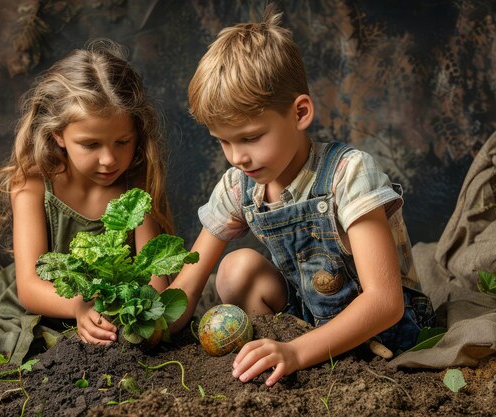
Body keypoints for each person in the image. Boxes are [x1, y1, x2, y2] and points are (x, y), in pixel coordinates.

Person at [168, 6, 434, 386]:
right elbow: (188, 286)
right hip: (304, 327)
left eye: (251, 137)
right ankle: (287, 360)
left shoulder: (348, 173)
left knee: (381, 323)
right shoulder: (239, 184)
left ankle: (301, 356)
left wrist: (295, 352)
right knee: (235, 269)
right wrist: (145, 326)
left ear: (300, 112)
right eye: (223, 141)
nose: (237, 156)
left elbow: (385, 303)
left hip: (386, 334)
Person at [0, 40, 173, 346]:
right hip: (48, 306)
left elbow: (156, 283)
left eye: (122, 142)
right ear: (59, 135)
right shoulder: (33, 183)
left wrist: (128, 312)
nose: (109, 159)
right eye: (91, 144)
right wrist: (79, 306)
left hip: (117, 313)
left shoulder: (136, 183)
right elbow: (30, 287)